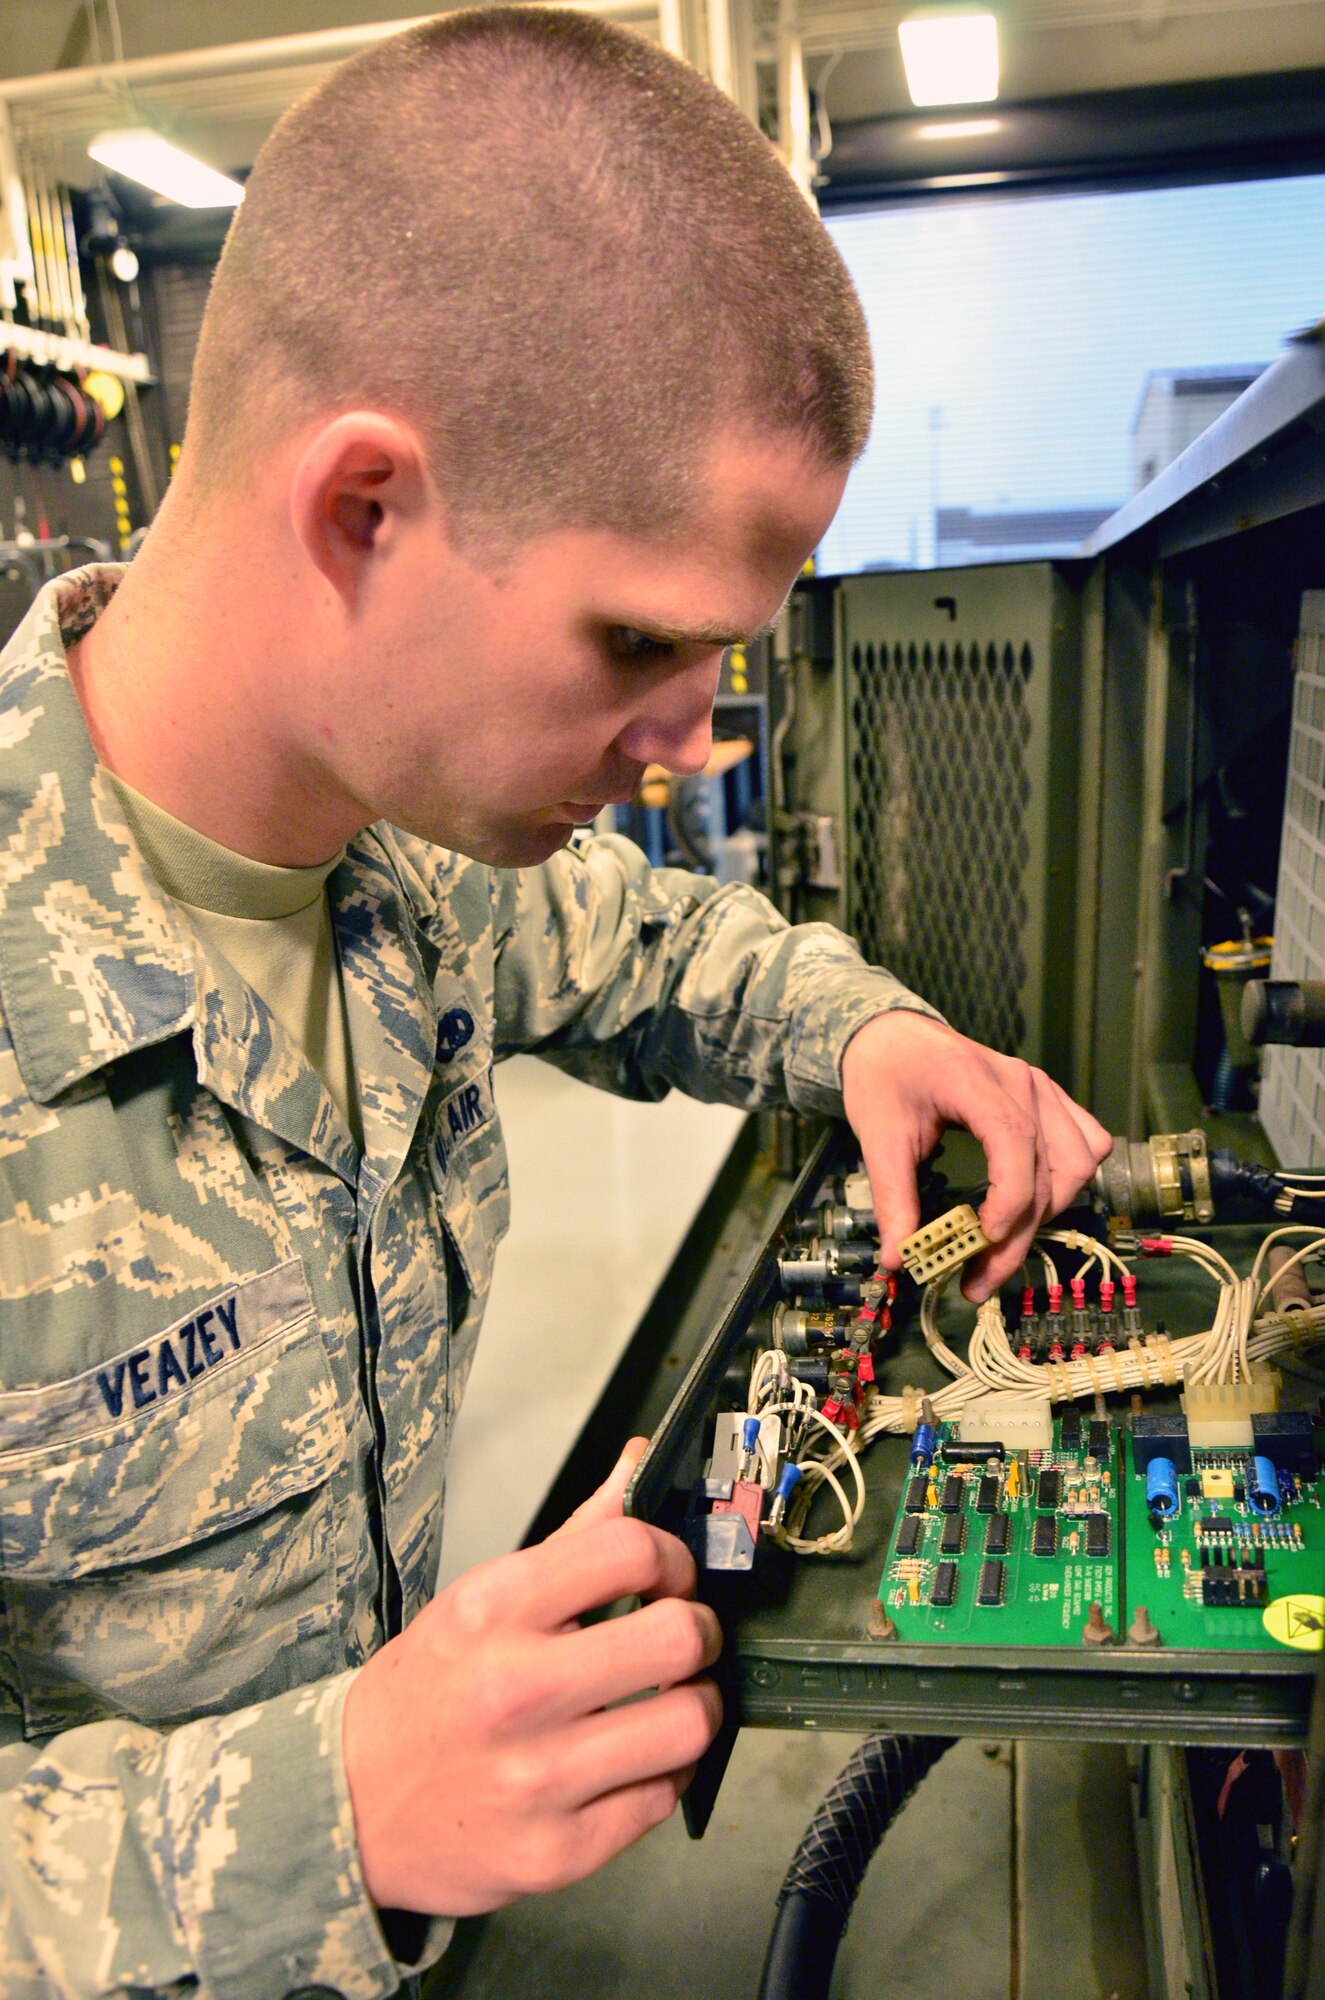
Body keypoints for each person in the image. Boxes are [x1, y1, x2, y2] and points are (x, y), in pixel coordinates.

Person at [0, 9, 1110, 1995]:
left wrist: (876, 1033)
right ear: (366, 510)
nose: (692, 741)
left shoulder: (402, 862)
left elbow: (682, 950)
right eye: (641, 643)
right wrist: (318, 1813)